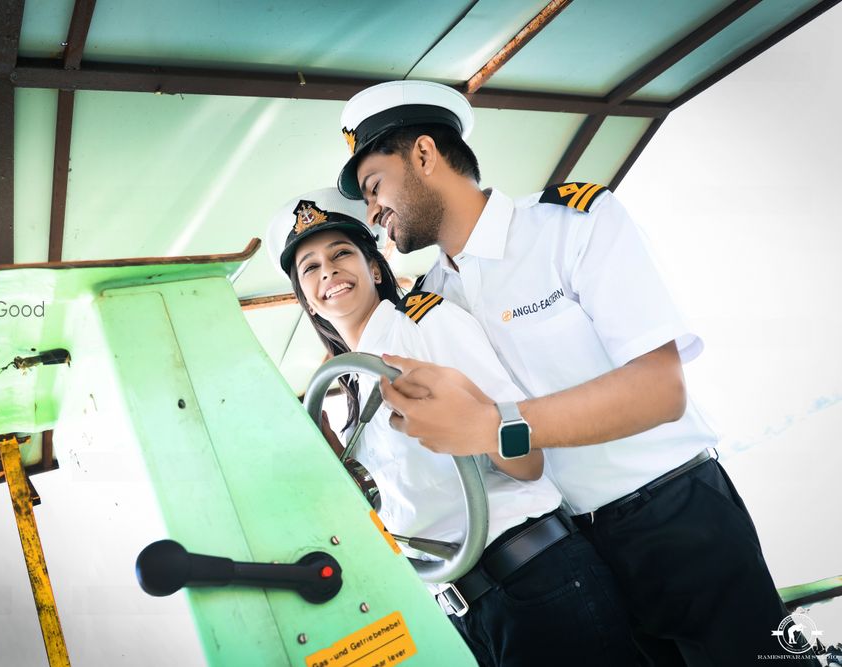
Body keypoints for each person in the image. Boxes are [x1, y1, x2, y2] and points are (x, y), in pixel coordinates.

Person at [333, 79, 808, 665]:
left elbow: (660, 390)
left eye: (376, 186)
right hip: (575, 554)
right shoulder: (432, 302)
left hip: (676, 516)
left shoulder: (572, 224)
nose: (374, 211)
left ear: (425, 155)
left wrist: (494, 426)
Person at [266, 187, 642, 666]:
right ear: (308, 302)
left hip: (535, 579)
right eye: (311, 268)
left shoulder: (427, 323)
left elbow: (528, 460)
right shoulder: (347, 397)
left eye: (341, 253)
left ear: (375, 268)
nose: (329, 272)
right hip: (461, 617)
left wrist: (477, 422)